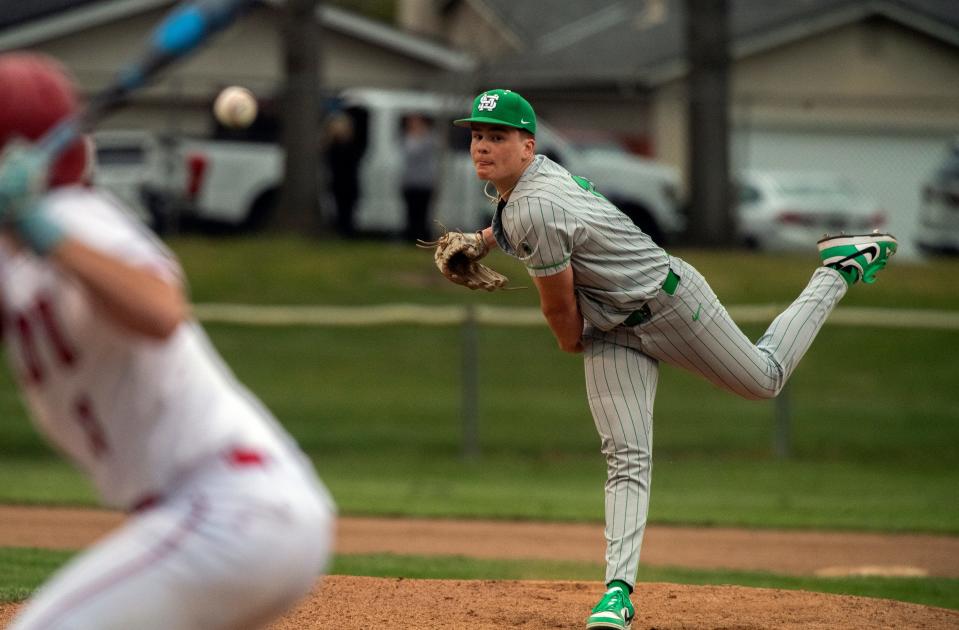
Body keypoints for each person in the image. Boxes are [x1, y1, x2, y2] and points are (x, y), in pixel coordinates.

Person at [452, 89, 897, 630]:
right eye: (477, 135)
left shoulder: (534, 204)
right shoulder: (530, 182)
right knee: (626, 457)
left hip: (670, 303)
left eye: (497, 136)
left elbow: (558, 307)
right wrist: (480, 240)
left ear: (527, 146)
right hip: (615, 327)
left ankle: (837, 268)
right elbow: (517, 221)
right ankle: (617, 594)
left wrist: (571, 342)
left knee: (765, 379)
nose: (482, 145)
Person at [0, 52, 335, 630]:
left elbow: (160, 310)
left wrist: (42, 229)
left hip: (226, 507)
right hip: (212, 517)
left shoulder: (76, 218)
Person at [401, 113, 438, 242]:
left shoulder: (429, 138)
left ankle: (421, 236)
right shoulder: (408, 138)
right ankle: (411, 236)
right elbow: (409, 153)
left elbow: (420, 152)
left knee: (423, 212)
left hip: (424, 181)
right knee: (411, 211)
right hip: (410, 180)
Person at [325, 111, 362, 238]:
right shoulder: (332, 145)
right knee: (339, 209)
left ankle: (348, 232)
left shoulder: (351, 145)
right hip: (338, 182)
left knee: (348, 210)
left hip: (348, 182)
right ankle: (342, 231)